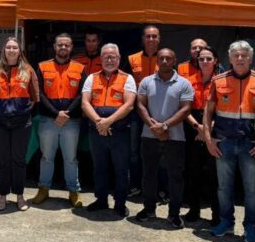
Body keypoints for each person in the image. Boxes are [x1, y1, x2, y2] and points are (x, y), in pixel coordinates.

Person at [204, 40, 255, 242]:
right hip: (223, 143)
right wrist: (208, 139)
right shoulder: (218, 81)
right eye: (236, 55)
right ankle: (226, 222)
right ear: (230, 58)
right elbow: (208, 112)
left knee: (252, 189)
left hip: (251, 145)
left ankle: (250, 227)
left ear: (251, 58)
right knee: (224, 187)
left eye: (244, 55)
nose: (240, 59)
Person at [134, 48, 193, 229]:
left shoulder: (184, 83)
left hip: (175, 138)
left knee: (175, 176)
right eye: (161, 58)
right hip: (149, 136)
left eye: (168, 58)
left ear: (174, 60)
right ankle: (149, 209)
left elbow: (186, 108)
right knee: (148, 174)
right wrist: (155, 127)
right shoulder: (146, 81)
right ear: (157, 61)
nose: (165, 61)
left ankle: (174, 214)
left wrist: (164, 126)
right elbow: (140, 105)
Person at [81, 43, 136, 218]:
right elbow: (85, 103)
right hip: (97, 131)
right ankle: (101, 200)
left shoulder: (127, 78)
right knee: (99, 167)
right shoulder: (91, 78)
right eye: (106, 57)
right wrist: (99, 122)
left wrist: (108, 121)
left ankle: (120, 203)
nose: (109, 60)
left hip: (120, 132)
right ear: (101, 59)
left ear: (119, 59)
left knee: (121, 169)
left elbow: (129, 105)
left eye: (113, 57)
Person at [0, 37, 39, 212]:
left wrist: (20, 109)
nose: (11, 50)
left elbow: (34, 97)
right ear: (4, 50)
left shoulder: (28, 70)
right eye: (8, 47)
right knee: (2, 160)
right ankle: (2, 195)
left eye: (15, 47)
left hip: (21, 122)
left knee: (18, 160)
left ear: (19, 51)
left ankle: (20, 195)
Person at [33, 33, 86, 207]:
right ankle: (43, 188)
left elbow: (82, 94)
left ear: (71, 48)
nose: (63, 47)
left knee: (70, 158)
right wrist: (56, 113)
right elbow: (39, 93)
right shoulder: (42, 67)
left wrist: (66, 113)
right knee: (46, 157)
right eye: (60, 45)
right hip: (48, 120)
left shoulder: (80, 68)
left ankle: (73, 190)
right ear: (54, 47)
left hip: (71, 121)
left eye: (67, 45)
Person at [178, 42, 220, 224]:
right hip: (193, 128)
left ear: (215, 61)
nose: (204, 61)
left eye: (208, 59)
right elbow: (183, 107)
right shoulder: (188, 80)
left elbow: (222, 110)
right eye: (201, 59)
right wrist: (199, 127)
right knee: (192, 171)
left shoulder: (221, 81)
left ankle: (217, 215)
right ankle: (193, 210)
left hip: (215, 128)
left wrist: (207, 130)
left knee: (214, 174)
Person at [125, 25, 160, 196]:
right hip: (135, 113)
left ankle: (158, 187)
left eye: (154, 36)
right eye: (148, 36)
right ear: (142, 39)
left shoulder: (165, 58)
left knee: (158, 151)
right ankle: (135, 185)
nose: (151, 39)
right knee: (134, 151)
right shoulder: (132, 59)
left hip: (159, 112)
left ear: (159, 39)